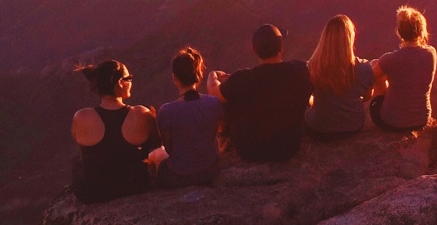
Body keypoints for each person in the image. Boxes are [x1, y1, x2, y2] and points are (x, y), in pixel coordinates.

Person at [208, 24, 312, 162]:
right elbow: (310, 98)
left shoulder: (243, 79)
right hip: (288, 148)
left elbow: (214, 93)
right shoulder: (300, 70)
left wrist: (212, 76)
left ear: (254, 49)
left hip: (250, 151)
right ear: (281, 46)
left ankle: (224, 144)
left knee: (225, 101)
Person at [69, 60, 159, 202]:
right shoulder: (142, 113)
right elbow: (156, 143)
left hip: (92, 192)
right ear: (119, 82)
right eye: (129, 78)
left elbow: (81, 147)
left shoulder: (81, 116)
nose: (131, 82)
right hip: (133, 188)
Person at [155, 47, 223, 187]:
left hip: (179, 176)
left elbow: (169, 149)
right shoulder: (214, 102)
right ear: (199, 75)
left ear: (175, 78)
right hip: (210, 170)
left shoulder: (166, 111)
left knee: (158, 156)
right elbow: (212, 135)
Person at [304, 14, 374, 140]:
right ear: (350, 38)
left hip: (319, 129)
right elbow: (368, 96)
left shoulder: (312, 67)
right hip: (353, 126)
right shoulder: (364, 67)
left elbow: (307, 97)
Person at [370, 6, 437, 132]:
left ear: (399, 32)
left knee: (375, 64)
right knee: (382, 66)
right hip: (422, 119)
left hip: (392, 122)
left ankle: (389, 102)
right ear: (422, 31)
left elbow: (370, 78)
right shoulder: (431, 53)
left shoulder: (390, 59)